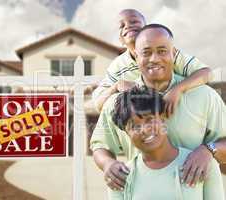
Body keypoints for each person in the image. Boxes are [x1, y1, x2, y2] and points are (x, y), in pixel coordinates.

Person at [90, 24, 226, 191]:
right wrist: (108, 164)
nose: (154, 59)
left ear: (173, 53)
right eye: (146, 53)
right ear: (136, 56)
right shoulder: (118, 104)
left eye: (162, 51)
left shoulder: (205, 96)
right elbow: (100, 145)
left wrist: (208, 150)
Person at [92, 9, 212, 119]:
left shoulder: (168, 53)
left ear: (147, 29)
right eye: (121, 26)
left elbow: (206, 73)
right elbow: (99, 105)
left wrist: (178, 89)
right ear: (120, 40)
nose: (127, 26)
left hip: (179, 115)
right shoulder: (117, 66)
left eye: (133, 21)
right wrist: (116, 86)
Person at [108, 87, 224, 200]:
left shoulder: (202, 164)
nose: (144, 129)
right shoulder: (120, 177)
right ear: (126, 132)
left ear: (162, 119)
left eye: (149, 120)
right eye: (134, 126)